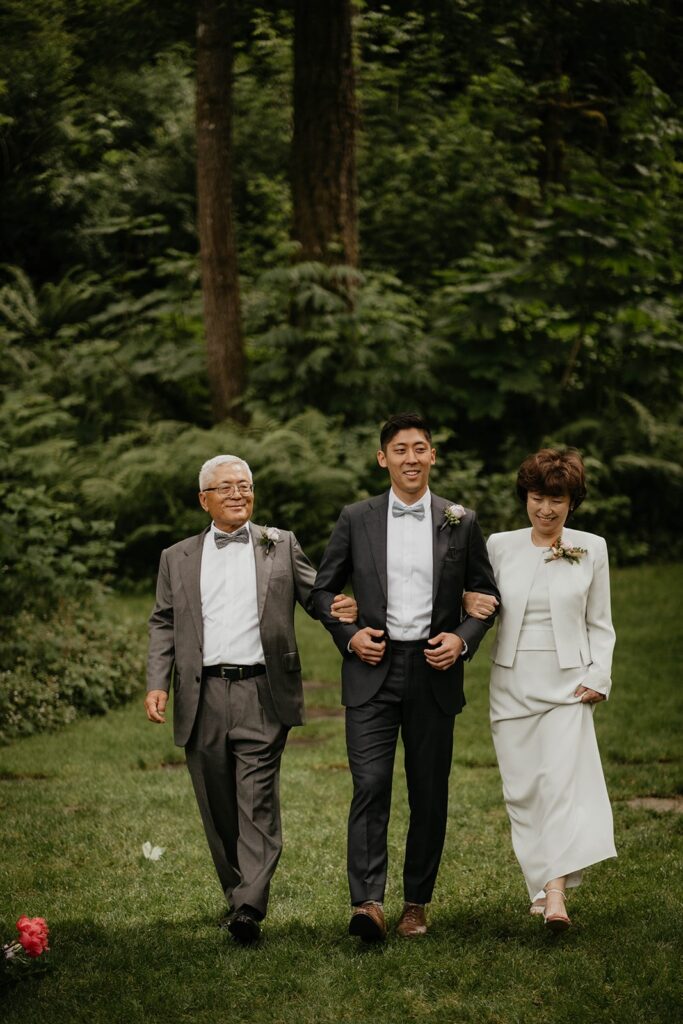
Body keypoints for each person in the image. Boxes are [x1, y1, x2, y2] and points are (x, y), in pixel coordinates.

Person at [145, 454, 356, 943]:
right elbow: (162, 622)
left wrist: (343, 612)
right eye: (226, 487)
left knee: (256, 801)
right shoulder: (175, 558)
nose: (238, 493)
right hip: (201, 696)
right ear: (205, 500)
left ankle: (248, 908)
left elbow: (315, 594)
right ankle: (237, 891)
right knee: (218, 806)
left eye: (245, 485)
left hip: (263, 690)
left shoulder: (278, 544)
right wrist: (158, 681)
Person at [311, 413, 500, 941]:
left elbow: (486, 597)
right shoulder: (356, 518)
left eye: (420, 448)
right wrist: (348, 635)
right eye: (400, 449)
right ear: (383, 458)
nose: (410, 458)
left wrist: (462, 639)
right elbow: (321, 591)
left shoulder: (460, 520)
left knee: (428, 792)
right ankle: (367, 902)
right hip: (371, 668)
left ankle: (415, 903)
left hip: (433, 671)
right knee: (370, 786)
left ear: (433, 456)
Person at [465, 448, 616, 932]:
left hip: (568, 683)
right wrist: (468, 600)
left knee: (560, 786)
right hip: (511, 682)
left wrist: (599, 675)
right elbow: (479, 602)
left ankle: (555, 897)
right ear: (525, 498)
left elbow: (602, 624)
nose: (546, 509)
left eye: (557, 500)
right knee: (523, 790)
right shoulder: (499, 545)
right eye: (537, 498)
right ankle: (542, 881)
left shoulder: (591, 547)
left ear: (572, 502)